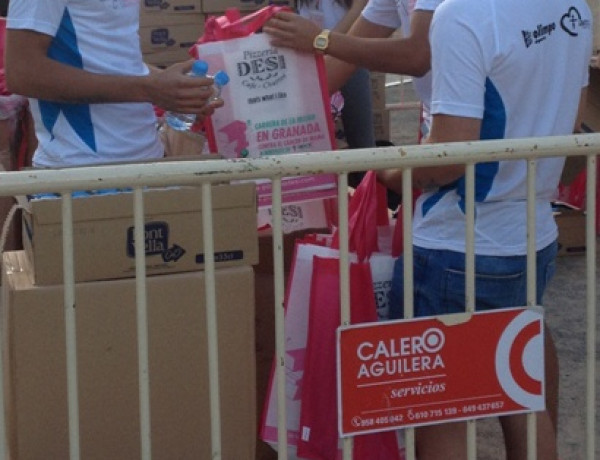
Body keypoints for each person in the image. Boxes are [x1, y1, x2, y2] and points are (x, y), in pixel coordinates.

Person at [377, 0, 592, 458]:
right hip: (532, 234)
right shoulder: (570, 6)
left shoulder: (464, 14)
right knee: (521, 393)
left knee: (439, 407)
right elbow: (571, 129)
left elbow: (451, 158)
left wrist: (391, 174)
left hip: (457, 241)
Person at [4, 0, 222, 168]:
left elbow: (114, 59)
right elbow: (22, 72)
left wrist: (176, 89)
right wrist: (150, 88)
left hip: (147, 160)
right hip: (80, 171)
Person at [264, 0, 444, 138]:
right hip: (440, 127)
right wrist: (261, 109)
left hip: (465, 133)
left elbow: (418, 56)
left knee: (371, 163)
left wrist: (321, 40)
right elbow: (335, 70)